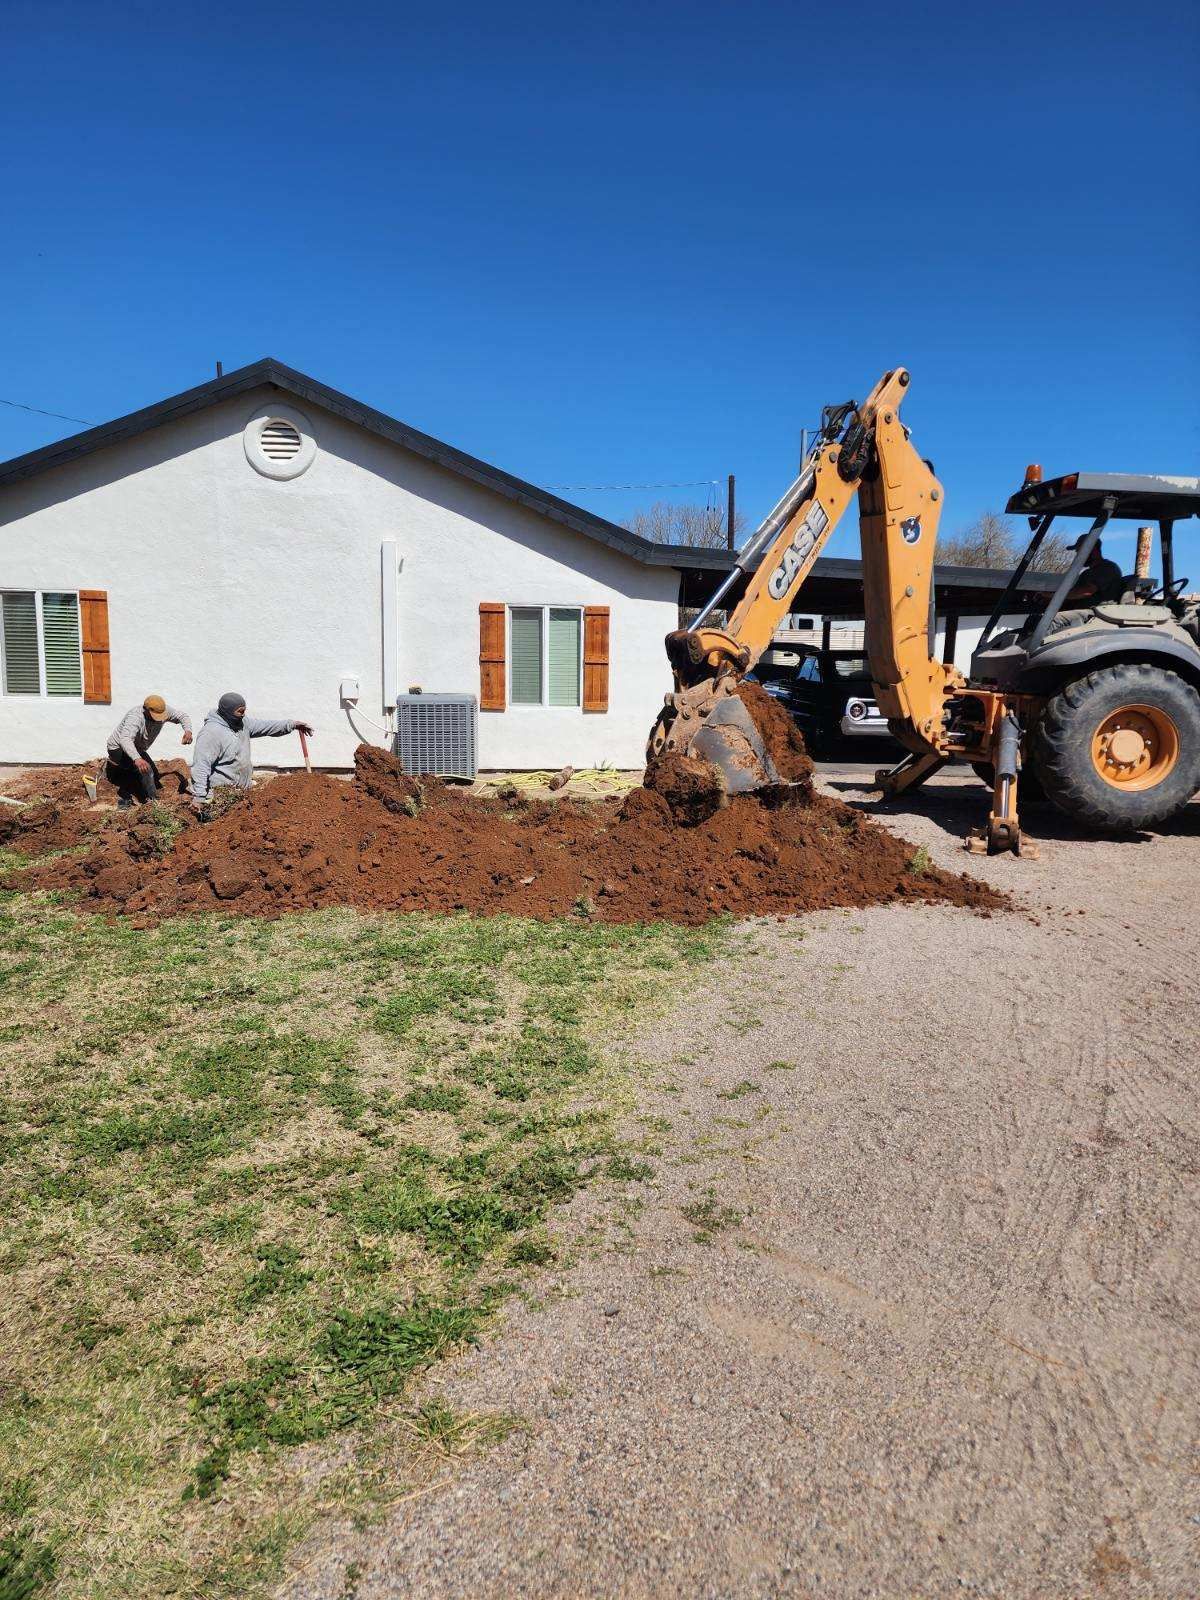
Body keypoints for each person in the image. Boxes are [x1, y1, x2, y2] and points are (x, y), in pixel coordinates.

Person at [189, 692, 313, 809]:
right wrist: (200, 796)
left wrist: (292, 724)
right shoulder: (211, 733)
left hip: (241, 792)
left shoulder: (243, 723)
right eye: (240, 712)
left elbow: (266, 726)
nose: (243, 714)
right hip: (221, 794)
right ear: (227, 711)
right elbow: (201, 765)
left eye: (244, 711)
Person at [106, 694, 193, 809]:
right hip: (118, 748)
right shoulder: (135, 717)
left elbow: (182, 716)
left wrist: (188, 731)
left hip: (137, 748)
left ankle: (117, 770)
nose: (159, 718)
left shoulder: (163, 710)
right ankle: (147, 802)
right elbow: (125, 739)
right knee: (143, 772)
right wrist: (137, 759)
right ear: (146, 709)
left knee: (154, 776)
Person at [1065, 535, 1126, 606]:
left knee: (1056, 617)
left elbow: (1087, 592)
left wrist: (1056, 596)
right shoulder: (1086, 573)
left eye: (1080, 552)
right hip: (1078, 609)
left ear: (1093, 550)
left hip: (1097, 611)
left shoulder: (1108, 568)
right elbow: (1072, 594)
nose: (1078, 556)